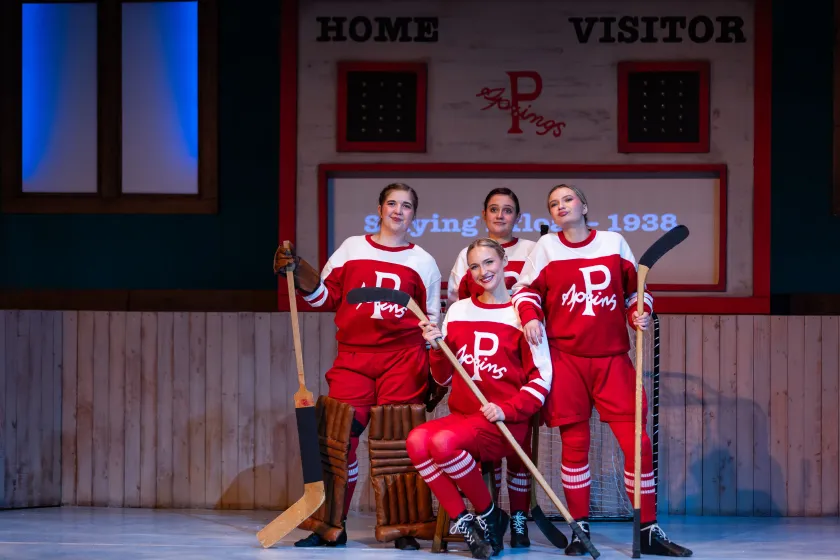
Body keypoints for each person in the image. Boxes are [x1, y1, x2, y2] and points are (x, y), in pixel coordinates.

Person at [510, 184, 692, 557]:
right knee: (574, 448)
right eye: (553, 204)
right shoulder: (545, 248)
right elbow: (524, 291)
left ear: (584, 205)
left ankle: (647, 529)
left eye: (567, 199)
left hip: (612, 359)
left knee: (638, 445)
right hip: (566, 359)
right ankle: (580, 529)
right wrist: (530, 316)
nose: (561, 206)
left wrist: (638, 312)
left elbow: (634, 293)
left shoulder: (613, 242)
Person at [275, 183, 442, 550]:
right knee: (338, 439)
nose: (399, 211)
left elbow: (431, 319)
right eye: (393, 204)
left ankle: (405, 528)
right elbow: (325, 297)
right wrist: (300, 275)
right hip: (354, 357)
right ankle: (331, 525)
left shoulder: (423, 261)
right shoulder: (353, 247)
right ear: (380, 208)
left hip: (403, 359)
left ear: (414, 214)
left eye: (407, 206)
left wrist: (434, 358)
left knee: (398, 443)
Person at [406, 238, 553, 560]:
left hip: (502, 421)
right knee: (417, 441)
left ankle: (487, 518)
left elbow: (542, 380)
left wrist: (507, 408)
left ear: (503, 262)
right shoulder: (458, 310)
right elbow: (444, 378)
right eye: (474, 266)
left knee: (443, 444)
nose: (482, 271)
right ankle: (475, 521)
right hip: (464, 417)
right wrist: (436, 349)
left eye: (489, 262)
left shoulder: (523, 315)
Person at [445, 187, 539, 548]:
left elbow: (537, 296)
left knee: (517, 447)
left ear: (518, 216)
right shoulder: (468, 255)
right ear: (484, 215)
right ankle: (492, 515)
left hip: (520, 350)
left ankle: (518, 520)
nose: (501, 215)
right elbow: (459, 302)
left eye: (508, 210)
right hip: (483, 361)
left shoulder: (532, 250)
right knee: (489, 446)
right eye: (494, 210)